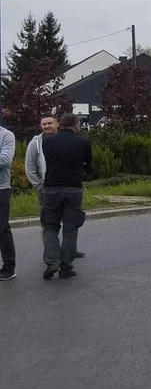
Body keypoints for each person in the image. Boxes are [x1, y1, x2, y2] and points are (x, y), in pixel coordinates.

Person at [39, 113, 93, 280]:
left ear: (59, 125)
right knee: (70, 230)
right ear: (76, 125)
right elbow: (88, 165)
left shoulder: (47, 142)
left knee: (50, 227)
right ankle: (66, 267)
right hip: (73, 189)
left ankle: (52, 262)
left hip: (51, 189)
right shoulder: (84, 142)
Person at [24, 115, 84, 261]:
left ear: (57, 124)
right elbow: (30, 167)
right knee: (48, 223)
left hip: (67, 186)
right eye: (44, 124)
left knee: (69, 222)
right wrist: (39, 186)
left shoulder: (66, 141)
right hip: (46, 188)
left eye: (50, 123)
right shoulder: (35, 143)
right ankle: (52, 253)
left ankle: (69, 250)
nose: (47, 126)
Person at [0, 121, 15, 281]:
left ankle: (9, 267)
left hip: (1, 188)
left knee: (2, 228)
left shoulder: (6, 135)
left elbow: (4, 159)